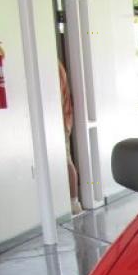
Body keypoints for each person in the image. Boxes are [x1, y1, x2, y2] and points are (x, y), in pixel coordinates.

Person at [58, 61, 82, 214]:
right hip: (61, 120)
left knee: (66, 161)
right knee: (65, 161)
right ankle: (72, 203)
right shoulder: (56, 66)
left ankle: (74, 203)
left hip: (60, 122)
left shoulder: (55, 67)